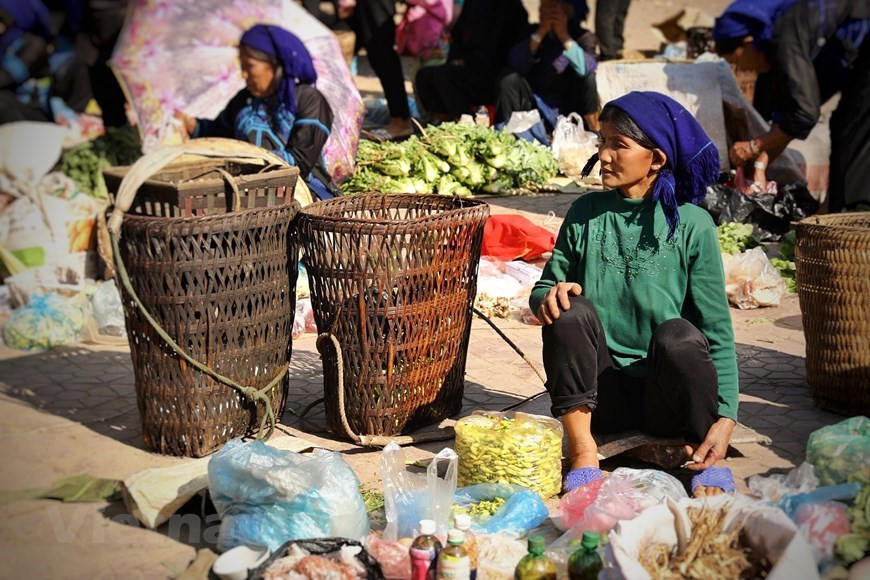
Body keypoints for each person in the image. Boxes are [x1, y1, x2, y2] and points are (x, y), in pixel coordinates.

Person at [530, 91, 738, 498]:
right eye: (602, 141)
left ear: (656, 159)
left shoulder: (693, 224)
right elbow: (542, 290)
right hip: (600, 399)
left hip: (665, 402)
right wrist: (548, 298)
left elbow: (716, 329)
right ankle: (584, 453)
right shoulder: (586, 213)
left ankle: (707, 456)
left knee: (680, 335)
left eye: (618, 145)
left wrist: (726, 417)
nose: (604, 155)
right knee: (570, 312)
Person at [713, 0, 870, 213]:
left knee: (852, 129)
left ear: (748, 41)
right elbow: (788, 117)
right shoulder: (770, 53)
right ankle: (838, 210)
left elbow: (805, 114)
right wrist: (760, 165)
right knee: (843, 125)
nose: (739, 68)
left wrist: (753, 146)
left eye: (735, 60)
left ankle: (855, 214)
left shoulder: (785, 37)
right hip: (853, 54)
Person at [175, 25, 338, 200]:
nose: (244, 74)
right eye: (242, 66)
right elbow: (219, 134)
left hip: (301, 193)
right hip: (248, 194)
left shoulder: (309, 100)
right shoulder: (244, 101)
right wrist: (191, 124)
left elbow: (299, 163)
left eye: (250, 66)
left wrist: (244, 156)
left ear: (275, 64)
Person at [414, 0, 528, 121]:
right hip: (469, 67)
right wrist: (455, 60)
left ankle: (465, 125)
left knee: (444, 75)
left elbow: (497, 48)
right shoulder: (472, 3)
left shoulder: (507, 6)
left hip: (492, 72)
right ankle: (444, 123)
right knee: (423, 75)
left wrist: (466, 62)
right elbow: (457, 37)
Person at [497, 0, 600, 132]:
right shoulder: (529, 32)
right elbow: (514, 63)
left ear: (567, 12)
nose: (549, 13)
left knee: (588, 78)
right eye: (545, 7)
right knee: (508, 78)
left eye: (554, 9)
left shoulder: (583, 37)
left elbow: (585, 69)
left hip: (567, 103)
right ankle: (510, 132)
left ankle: (594, 131)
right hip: (533, 102)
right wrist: (541, 33)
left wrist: (563, 36)